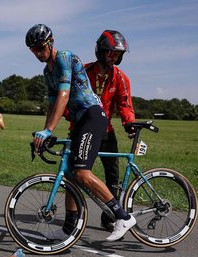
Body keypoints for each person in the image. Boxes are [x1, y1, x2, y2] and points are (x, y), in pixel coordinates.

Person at [25, 24, 135, 242]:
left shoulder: (64, 57)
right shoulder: (47, 72)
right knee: (70, 175)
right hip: (78, 122)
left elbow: (64, 95)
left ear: (50, 42)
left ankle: (122, 216)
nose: (38, 53)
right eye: (33, 50)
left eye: (40, 47)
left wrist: (49, 129)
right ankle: (68, 228)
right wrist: (44, 131)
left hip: (92, 116)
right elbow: (52, 104)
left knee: (83, 173)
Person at [84, 30, 136, 230]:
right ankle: (72, 219)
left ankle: (111, 216)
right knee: (75, 173)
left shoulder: (121, 78)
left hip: (107, 132)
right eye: (110, 53)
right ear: (101, 51)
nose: (114, 57)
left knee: (113, 177)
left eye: (118, 54)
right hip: (83, 131)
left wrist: (129, 122)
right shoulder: (84, 72)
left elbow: (125, 104)